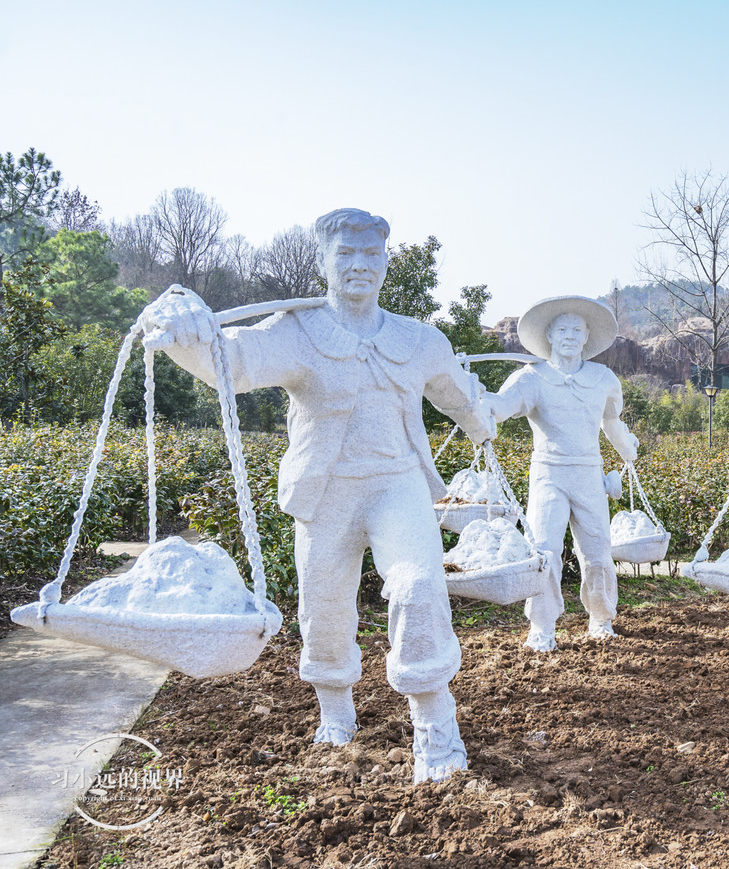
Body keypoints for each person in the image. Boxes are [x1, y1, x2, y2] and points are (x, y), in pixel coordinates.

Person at [137, 208, 496, 783]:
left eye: (371, 255)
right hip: (326, 493)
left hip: (398, 485)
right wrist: (185, 330)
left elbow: (458, 396)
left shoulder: (419, 339)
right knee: (325, 604)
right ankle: (334, 706)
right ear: (323, 262)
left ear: (385, 261)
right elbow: (232, 361)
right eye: (345, 255)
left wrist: (486, 421)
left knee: (419, 585)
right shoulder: (297, 332)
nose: (359, 266)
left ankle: (434, 718)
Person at [484, 296, 638, 652]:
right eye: (562, 330)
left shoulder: (602, 378)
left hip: (589, 473)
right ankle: (542, 624)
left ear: (587, 338)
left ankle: (601, 617)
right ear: (549, 337)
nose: (570, 336)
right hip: (549, 473)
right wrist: (480, 401)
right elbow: (503, 406)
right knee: (545, 550)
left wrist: (627, 449)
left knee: (598, 550)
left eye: (577, 330)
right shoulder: (532, 378)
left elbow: (611, 421)